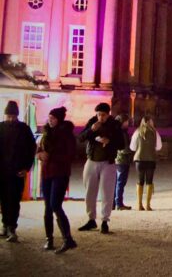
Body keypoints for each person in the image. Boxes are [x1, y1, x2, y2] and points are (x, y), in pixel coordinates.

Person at [78, 102, 124, 234]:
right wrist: (91, 129)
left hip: (108, 162)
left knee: (107, 192)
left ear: (108, 114)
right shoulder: (92, 121)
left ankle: (105, 220)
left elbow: (121, 144)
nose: (100, 117)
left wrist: (109, 141)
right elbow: (81, 138)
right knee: (89, 192)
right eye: (98, 114)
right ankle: (91, 219)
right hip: (92, 160)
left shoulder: (115, 125)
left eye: (103, 115)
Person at [36, 107, 77, 252]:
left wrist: (51, 156)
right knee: (47, 207)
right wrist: (40, 154)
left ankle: (68, 239)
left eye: (53, 118)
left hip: (60, 173)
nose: (50, 120)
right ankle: (49, 239)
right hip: (47, 172)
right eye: (49, 117)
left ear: (59, 119)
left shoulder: (66, 135)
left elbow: (70, 155)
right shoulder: (46, 132)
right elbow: (39, 149)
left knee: (55, 205)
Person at [0, 100, 37, 243]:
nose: (10, 119)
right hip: (2, 171)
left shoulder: (24, 129)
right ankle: (5, 225)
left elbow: (31, 149)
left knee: (14, 200)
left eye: (12, 116)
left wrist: (26, 168)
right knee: (4, 199)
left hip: (16, 172)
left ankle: (11, 227)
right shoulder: (1, 127)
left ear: (17, 116)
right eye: (8, 116)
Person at [131, 115, 162, 211]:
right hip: (151, 159)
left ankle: (139, 204)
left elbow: (132, 147)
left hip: (139, 159)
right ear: (150, 122)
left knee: (140, 181)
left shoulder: (137, 132)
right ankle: (148, 205)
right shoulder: (155, 132)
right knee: (149, 181)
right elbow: (159, 147)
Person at [113, 114, 133, 211]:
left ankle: (113, 203)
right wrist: (133, 150)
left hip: (117, 159)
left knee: (116, 182)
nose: (128, 123)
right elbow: (124, 149)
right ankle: (119, 204)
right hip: (122, 160)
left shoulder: (116, 132)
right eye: (126, 121)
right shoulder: (122, 133)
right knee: (121, 182)